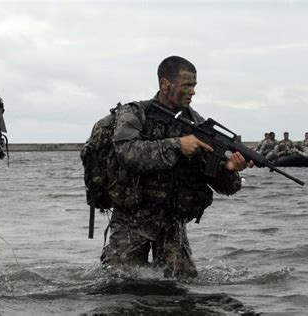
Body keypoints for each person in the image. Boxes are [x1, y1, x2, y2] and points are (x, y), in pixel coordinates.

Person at [100, 56, 251, 278]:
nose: (193, 92)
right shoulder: (135, 113)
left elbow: (220, 185)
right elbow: (127, 153)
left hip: (172, 224)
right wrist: (177, 145)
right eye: (187, 85)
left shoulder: (197, 124)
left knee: (183, 286)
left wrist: (229, 169)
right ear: (165, 84)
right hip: (131, 221)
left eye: (195, 85)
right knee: (118, 285)